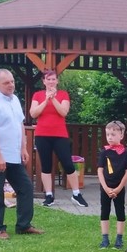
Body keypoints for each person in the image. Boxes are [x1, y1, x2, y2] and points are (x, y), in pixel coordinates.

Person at [0, 69, 43, 239]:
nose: (11, 85)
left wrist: (23, 148)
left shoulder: (15, 99)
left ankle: (23, 225)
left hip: (13, 154)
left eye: (12, 81)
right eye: (6, 82)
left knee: (25, 188)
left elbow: (19, 125)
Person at [29, 69, 88, 207]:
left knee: (68, 163)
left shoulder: (63, 94)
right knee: (46, 165)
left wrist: (53, 98)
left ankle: (76, 194)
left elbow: (63, 112)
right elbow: (33, 113)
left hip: (60, 135)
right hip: (42, 134)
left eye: (53, 79)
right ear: (44, 81)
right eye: (48, 79)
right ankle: (49, 195)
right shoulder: (37, 95)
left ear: (57, 81)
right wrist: (46, 99)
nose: (51, 81)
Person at [96, 121, 127, 249]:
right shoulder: (104, 152)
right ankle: (105, 239)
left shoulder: (125, 153)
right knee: (104, 211)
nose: (110, 137)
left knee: (120, 211)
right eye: (108, 134)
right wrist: (105, 187)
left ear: (121, 135)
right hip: (105, 187)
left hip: (119, 187)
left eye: (113, 134)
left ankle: (119, 239)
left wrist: (119, 188)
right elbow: (100, 170)